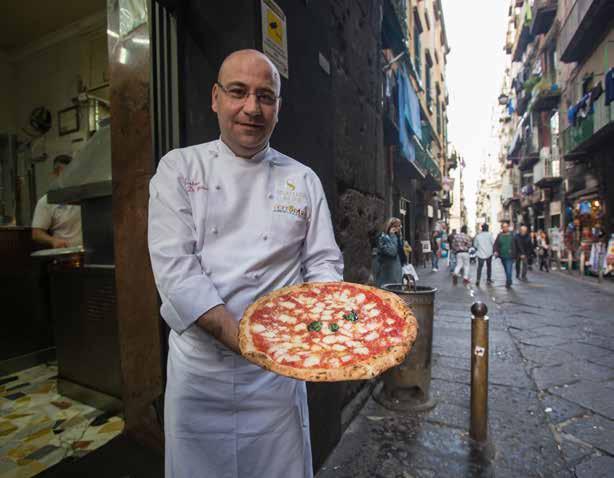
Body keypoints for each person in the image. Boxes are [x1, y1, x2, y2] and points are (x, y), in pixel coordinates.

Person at [147, 50, 343, 478]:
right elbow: (177, 274)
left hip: (275, 381)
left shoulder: (303, 179)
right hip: (201, 376)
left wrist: (321, 329)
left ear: (278, 109)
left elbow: (324, 264)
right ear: (215, 98)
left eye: (265, 96)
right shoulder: (178, 169)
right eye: (238, 92)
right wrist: (253, 343)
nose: (252, 108)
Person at [31, 154, 82, 248]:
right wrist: (53, 240)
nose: (68, 177)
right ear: (55, 174)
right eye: (64, 174)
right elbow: (36, 233)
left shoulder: (84, 195)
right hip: (64, 254)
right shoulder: (46, 201)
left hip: (88, 252)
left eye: (71, 173)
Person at [374, 217, 405, 287]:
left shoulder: (397, 237)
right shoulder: (383, 238)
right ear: (392, 227)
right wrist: (392, 236)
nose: (400, 228)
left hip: (395, 272)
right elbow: (392, 252)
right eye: (398, 226)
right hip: (388, 272)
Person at [494, 221, 516, 288]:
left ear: (508, 227)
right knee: (506, 269)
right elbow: (496, 244)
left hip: (510, 255)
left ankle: (508, 281)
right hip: (502, 255)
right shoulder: (499, 235)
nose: (505, 228)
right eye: (504, 227)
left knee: (509, 269)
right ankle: (509, 280)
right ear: (502, 228)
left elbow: (516, 244)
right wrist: (496, 251)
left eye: (506, 227)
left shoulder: (512, 235)